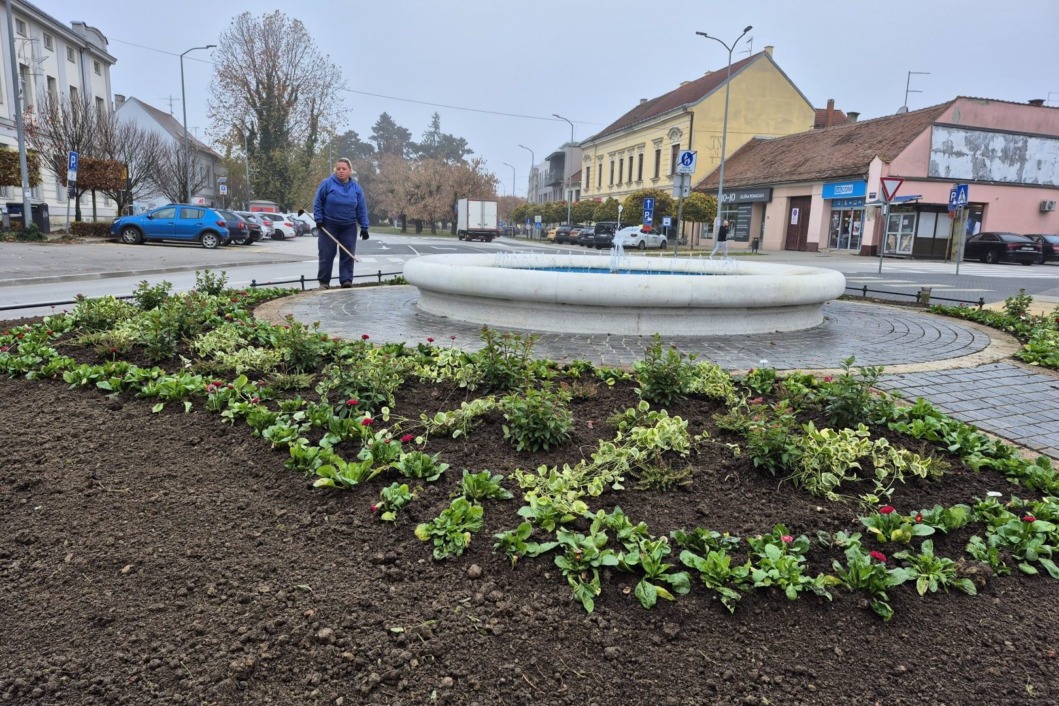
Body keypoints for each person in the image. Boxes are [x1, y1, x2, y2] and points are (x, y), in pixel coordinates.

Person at [313, 158, 370, 289]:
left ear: (350, 171)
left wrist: (364, 227)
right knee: (326, 254)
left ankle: (346, 280)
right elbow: (318, 202)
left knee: (348, 254)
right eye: (338, 169)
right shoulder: (327, 184)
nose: (340, 171)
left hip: (349, 227)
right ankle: (324, 282)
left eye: (344, 169)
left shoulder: (356, 188)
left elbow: (361, 208)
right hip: (328, 226)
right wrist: (319, 219)